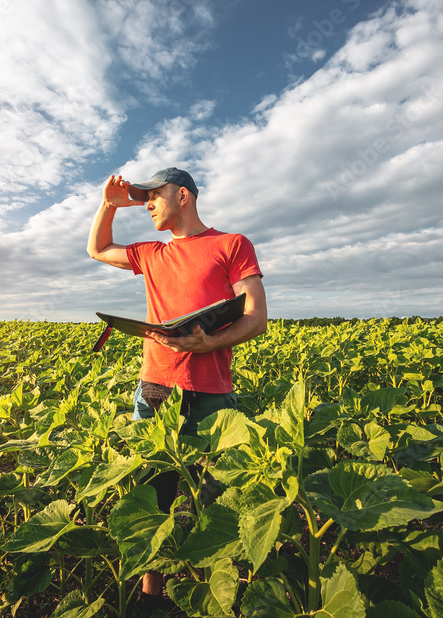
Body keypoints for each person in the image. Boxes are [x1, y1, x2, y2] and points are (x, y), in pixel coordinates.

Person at [86, 167, 267, 610]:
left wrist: (210, 341)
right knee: (154, 490)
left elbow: (256, 317)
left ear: (182, 195)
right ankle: (153, 598)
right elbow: (97, 249)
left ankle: (205, 592)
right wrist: (110, 203)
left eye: (154, 195)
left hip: (210, 390)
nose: (146, 203)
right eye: (142, 197)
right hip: (155, 389)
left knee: (209, 496)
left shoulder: (232, 244)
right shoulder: (150, 253)